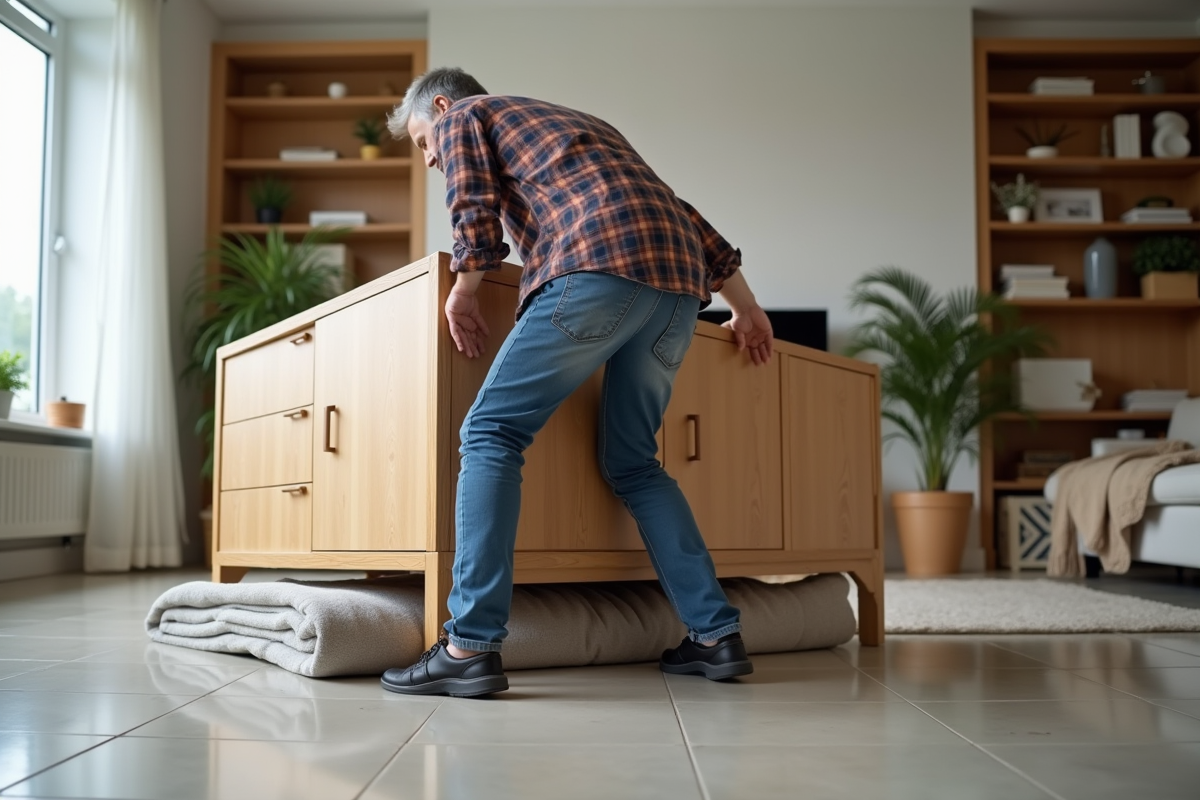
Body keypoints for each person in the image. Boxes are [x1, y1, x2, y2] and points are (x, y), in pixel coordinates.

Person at [380, 68, 774, 698]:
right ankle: (715, 636)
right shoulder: (584, 127)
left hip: (592, 273)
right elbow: (684, 213)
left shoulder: (464, 117)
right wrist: (747, 307)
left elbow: (472, 202)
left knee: (490, 432)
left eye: (424, 142)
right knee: (636, 463)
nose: (431, 157)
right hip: (676, 293)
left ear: (442, 106)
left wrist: (466, 286)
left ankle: (468, 646)